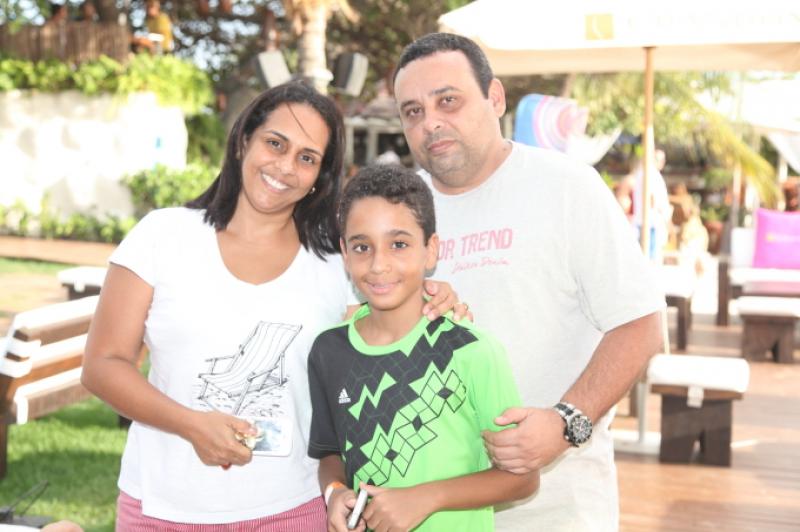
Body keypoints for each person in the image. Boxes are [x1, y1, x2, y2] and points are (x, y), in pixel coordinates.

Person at [81, 82, 464, 529]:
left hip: (292, 510)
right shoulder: (163, 236)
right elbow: (102, 365)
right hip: (161, 508)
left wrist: (431, 296)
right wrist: (191, 424)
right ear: (244, 140)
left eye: (307, 158)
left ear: (320, 177)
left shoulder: (336, 265)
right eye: (275, 143)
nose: (285, 167)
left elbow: (386, 340)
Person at [392, 33, 664, 530]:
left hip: (557, 509)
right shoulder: (396, 213)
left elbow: (641, 325)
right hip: (430, 507)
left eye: (448, 100)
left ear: (495, 98)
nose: (430, 122)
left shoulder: (567, 187)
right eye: (413, 111)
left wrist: (565, 422)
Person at [308, 164, 539, 532]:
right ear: (345, 254)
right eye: (362, 247)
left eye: (399, 244)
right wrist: (335, 492)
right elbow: (330, 452)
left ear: (431, 250)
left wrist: (426, 498)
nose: (379, 264)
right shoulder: (328, 350)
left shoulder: (473, 351)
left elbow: (523, 478)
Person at [625, 148, 672, 261]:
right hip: (650, 221)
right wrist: (664, 216)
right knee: (650, 258)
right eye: (659, 159)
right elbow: (652, 198)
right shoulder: (650, 174)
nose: (662, 162)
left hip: (646, 220)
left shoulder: (643, 173)